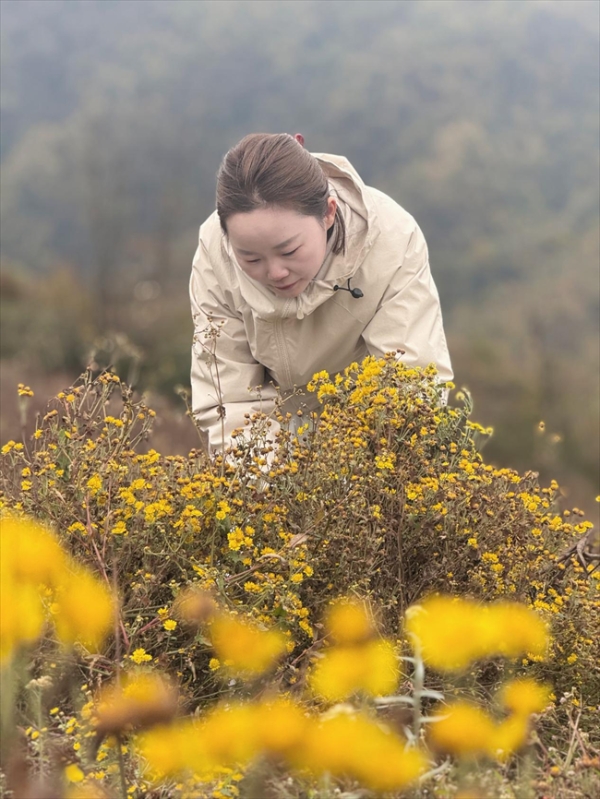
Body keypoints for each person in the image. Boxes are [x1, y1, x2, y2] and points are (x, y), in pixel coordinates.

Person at [190, 132, 453, 453]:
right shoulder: (215, 253)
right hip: (266, 439)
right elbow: (229, 402)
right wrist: (266, 493)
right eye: (251, 258)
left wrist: (363, 480)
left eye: (289, 251)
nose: (275, 272)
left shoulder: (392, 239)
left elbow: (410, 382)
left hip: (361, 430)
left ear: (328, 213)